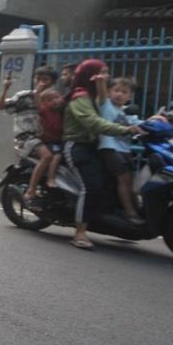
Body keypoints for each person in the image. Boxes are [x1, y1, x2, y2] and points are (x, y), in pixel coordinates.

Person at [61, 59, 144, 249]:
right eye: (102, 73)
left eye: (106, 73)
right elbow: (93, 122)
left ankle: (117, 220)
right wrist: (124, 130)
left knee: (116, 180)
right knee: (91, 187)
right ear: (89, 74)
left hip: (94, 146)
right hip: (78, 147)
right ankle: (80, 232)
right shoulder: (80, 97)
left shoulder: (95, 96)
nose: (106, 77)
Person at [0, 66, 60, 200]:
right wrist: (6, 89)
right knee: (47, 156)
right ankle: (31, 190)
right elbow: (2, 107)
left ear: (52, 82)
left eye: (46, 80)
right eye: (38, 79)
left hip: (46, 138)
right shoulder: (23, 96)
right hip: (26, 137)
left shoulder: (55, 99)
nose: (41, 82)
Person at [97, 77, 143, 224]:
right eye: (116, 90)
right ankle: (129, 212)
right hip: (109, 147)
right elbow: (101, 93)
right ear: (109, 92)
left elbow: (141, 124)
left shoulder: (128, 112)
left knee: (132, 181)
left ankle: (137, 209)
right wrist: (101, 81)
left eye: (124, 92)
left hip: (125, 149)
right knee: (124, 180)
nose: (119, 94)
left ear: (130, 96)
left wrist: (158, 119)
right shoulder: (106, 105)